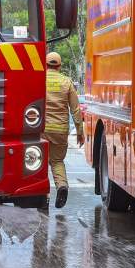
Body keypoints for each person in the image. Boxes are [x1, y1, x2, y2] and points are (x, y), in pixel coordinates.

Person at [43, 51, 84, 209]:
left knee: (40, 163)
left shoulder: (40, 79)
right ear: (59, 66)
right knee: (57, 161)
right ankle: (62, 186)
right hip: (60, 130)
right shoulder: (67, 82)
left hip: (42, 129)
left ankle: (43, 195)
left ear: (45, 65)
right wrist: (80, 132)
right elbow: (76, 110)